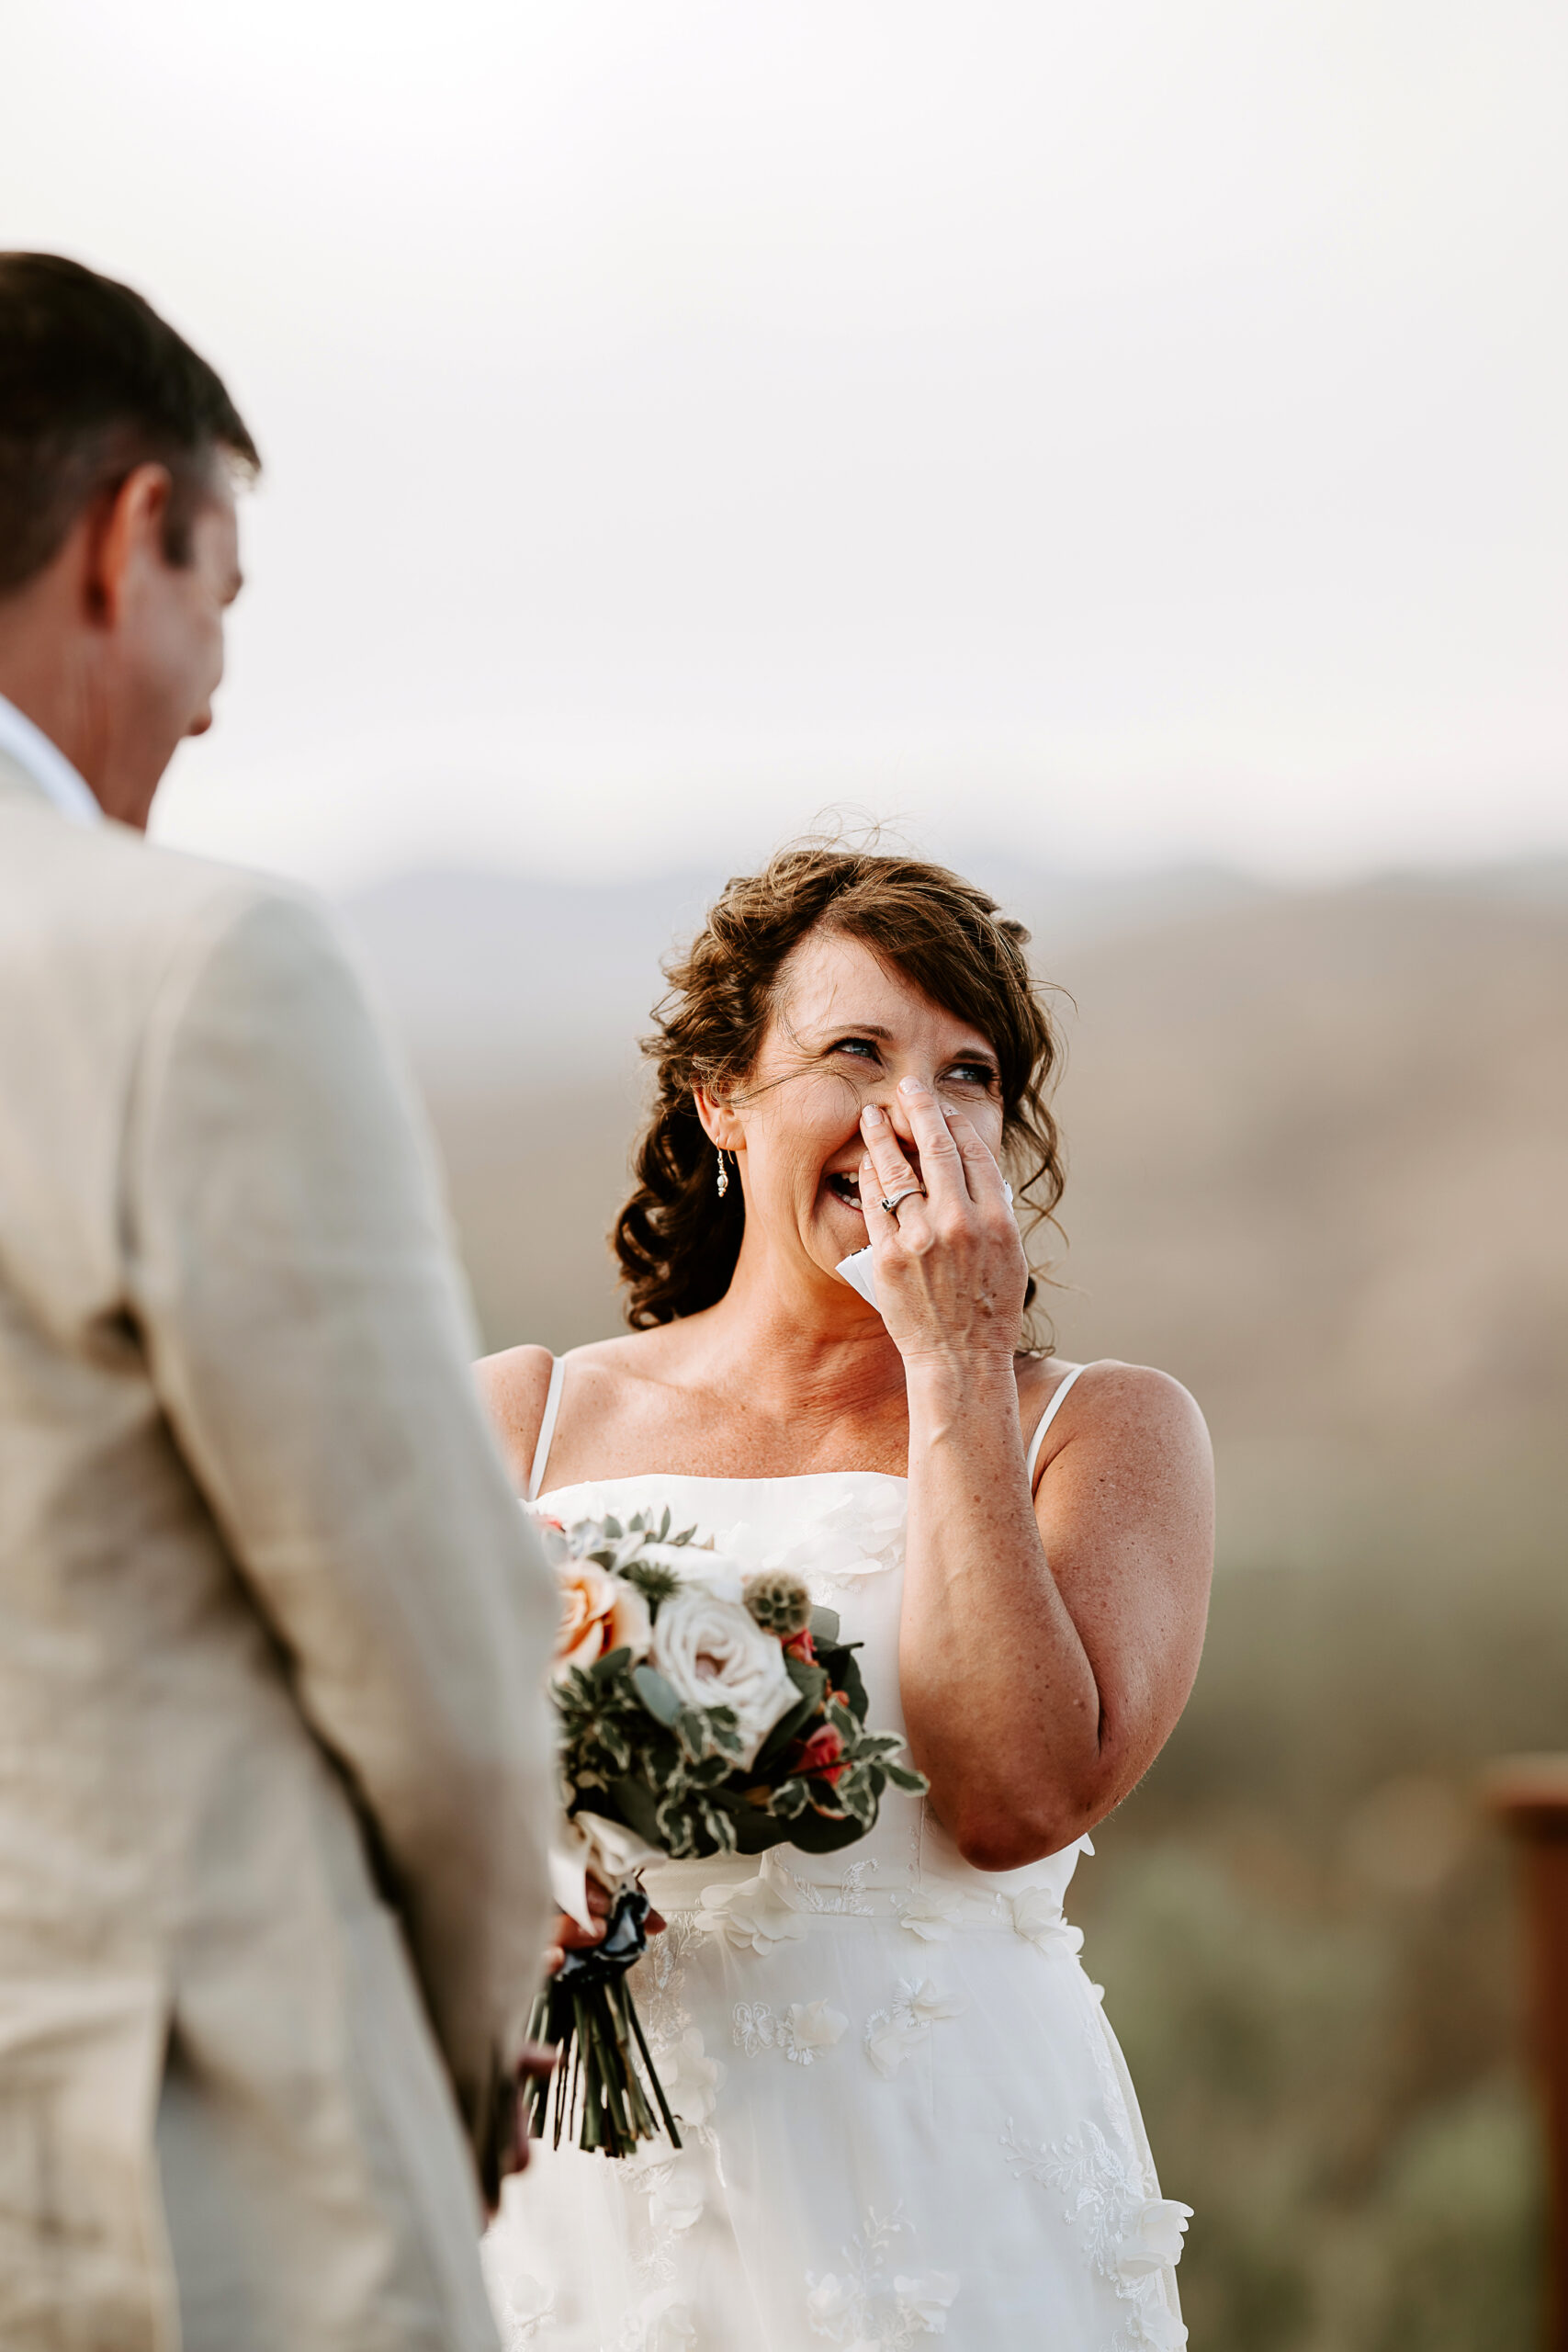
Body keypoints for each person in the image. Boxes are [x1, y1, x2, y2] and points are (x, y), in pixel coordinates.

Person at [0, 253, 558, 2352]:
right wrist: (446, 2071)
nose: (215, 694)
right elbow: (439, 1658)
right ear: (127, 533)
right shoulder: (198, 970)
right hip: (168, 2175)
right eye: (218, 601)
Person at [479, 844, 1214, 2351]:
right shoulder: (517, 1419)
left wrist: (955, 1363)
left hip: (942, 2181)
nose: (911, 1116)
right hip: (582, 2186)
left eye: (967, 1075)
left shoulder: (1107, 1431)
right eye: (856, 1052)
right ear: (721, 1099)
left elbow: (1011, 1800)